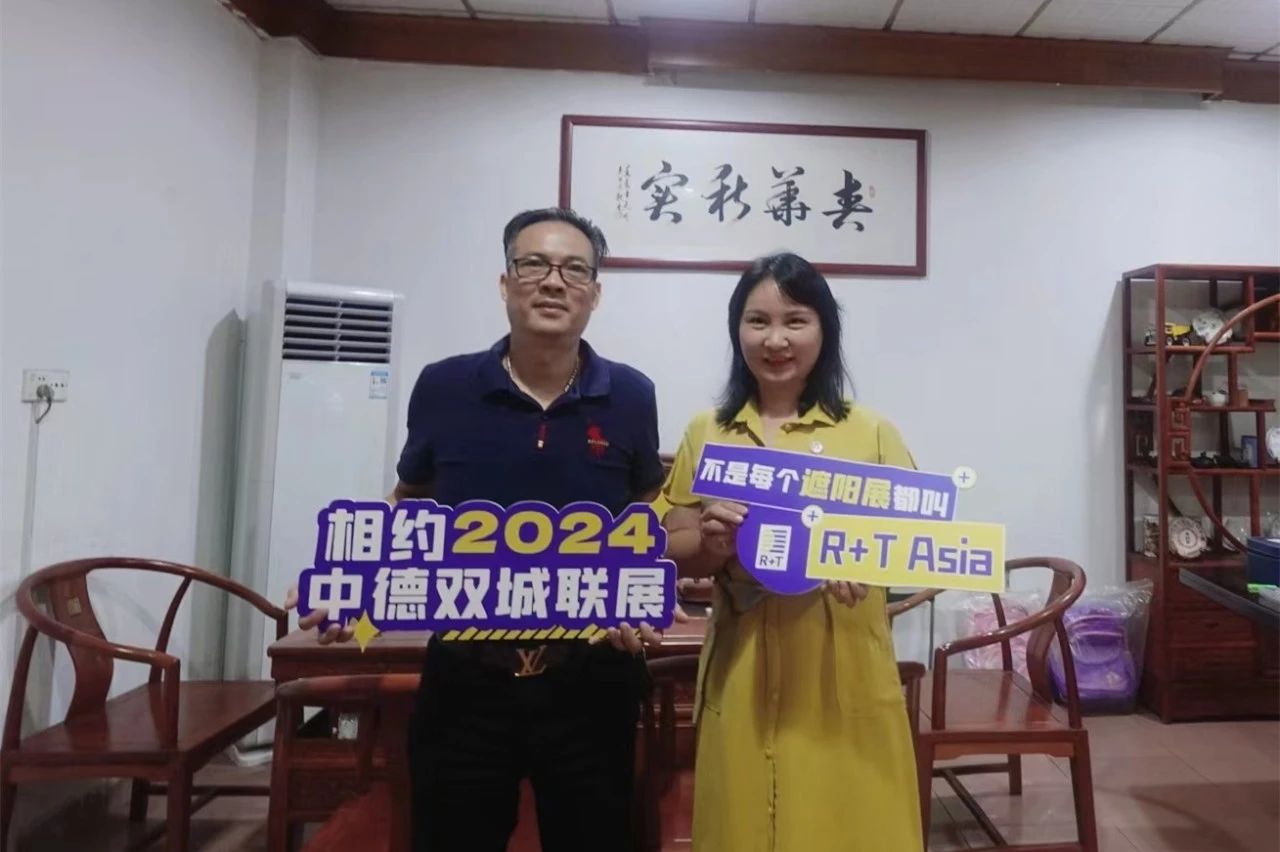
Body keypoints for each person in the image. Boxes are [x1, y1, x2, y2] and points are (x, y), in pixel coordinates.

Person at [287, 207, 672, 851]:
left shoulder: (631, 395)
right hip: (466, 681)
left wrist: (644, 589)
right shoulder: (445, 386)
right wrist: (353, 580)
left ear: (595, 293)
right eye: (534, 264)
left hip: (592, 683)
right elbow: (410, 502)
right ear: (505, 283)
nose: (554, 281)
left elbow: (647, 513)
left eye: (574, 269)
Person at [654, 252, 924, 851]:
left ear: (824, 330)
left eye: (795, 320)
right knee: (741, 828)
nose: (775, 340)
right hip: (742, 664)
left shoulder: (871, 433)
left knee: (851, 829)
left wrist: (863, 560)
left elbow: (915, 550)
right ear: (737, 330)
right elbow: (674, 548)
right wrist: (711, 542)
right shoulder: (708, 431)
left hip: (842, 665)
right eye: (758, 321)